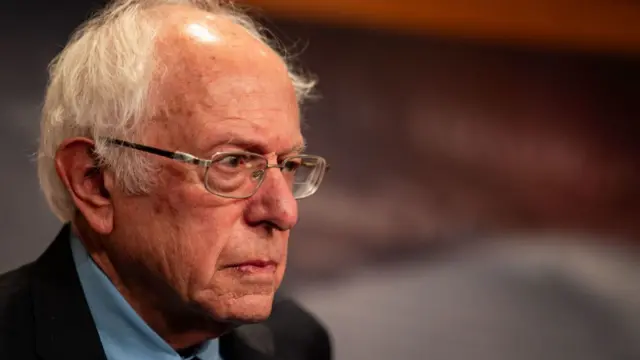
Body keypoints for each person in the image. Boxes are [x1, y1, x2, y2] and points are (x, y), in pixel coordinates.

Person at [0, 1, 331, 359]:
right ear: (94, 181)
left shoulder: (296, 344)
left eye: (288, 164)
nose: (284, 212)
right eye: (232, 162)